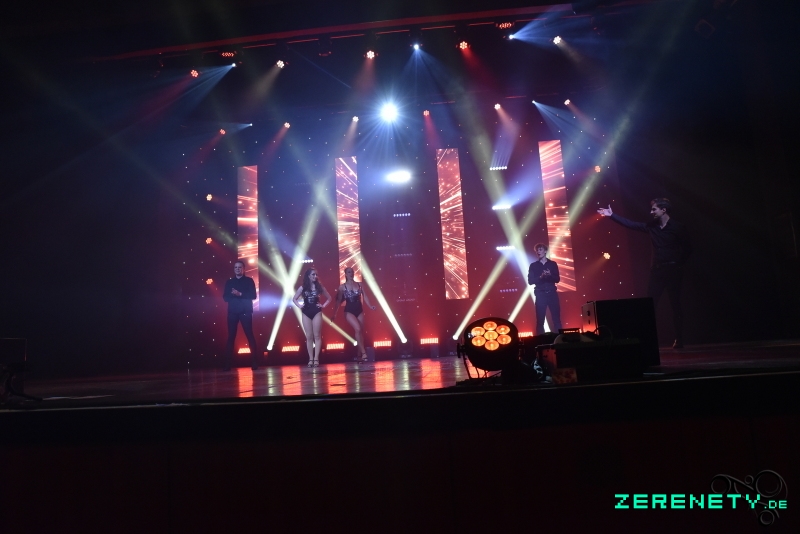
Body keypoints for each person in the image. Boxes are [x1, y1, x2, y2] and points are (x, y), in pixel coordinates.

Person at [597, 198, 692, 349]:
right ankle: (648, 339)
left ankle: (679, 339)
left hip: (673, 270)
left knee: (675, 304)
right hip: (657, 271)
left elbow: (687, 248)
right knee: (650, 306)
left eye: (654, 209)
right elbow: (632, 224)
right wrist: (612, 215)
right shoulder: (652, 226)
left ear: (663, 210)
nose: (651, 212)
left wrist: (678, 263)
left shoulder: (678, 227)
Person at [332, 267, 377, 363]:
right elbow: (338, 301)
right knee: (358, 329)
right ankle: (364, 353)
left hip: (359, 310)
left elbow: (365, 296)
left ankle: (359, 355)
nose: (351, 273)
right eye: (349, 272)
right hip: (349, 311)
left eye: (352, 272)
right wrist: (334, 314)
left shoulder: (359, 284)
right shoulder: (342, 287)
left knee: (361, 333)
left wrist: (370, 306)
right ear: (345, 274)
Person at [222, 260, 260, 371]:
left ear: (243, 269)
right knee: (231, 337)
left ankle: (254, 362)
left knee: (249, 335)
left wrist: (240, 294)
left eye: (239, 267)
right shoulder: (229, 282)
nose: (237, 269)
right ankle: (227, 364)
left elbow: (253, 295)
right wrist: (233, 294)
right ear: (234, 269)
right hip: (232, 312)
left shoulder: (249, 281)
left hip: (245, 312)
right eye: (236, 267)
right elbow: (225, 298)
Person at [292, 268, 333, 367]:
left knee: (317, 336)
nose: (315, 276)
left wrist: (323, 305)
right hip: (306, 312)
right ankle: (310, 358)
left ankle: (316, 358)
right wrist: (300, 306)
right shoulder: (302, 288)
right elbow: (294, 299)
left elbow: (329, 298)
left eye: (316, 274)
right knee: (309, 336)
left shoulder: (319, 287)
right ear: (309, 276)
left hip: (316, 311)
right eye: (313, 274)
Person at [527, 243, 564, 335]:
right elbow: (530, 281)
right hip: (540, 294)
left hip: (552, 294)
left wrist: (550, 275)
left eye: (540, 249)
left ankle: (560, 339)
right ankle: (541, 340)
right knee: (540, 321)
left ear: (545, 251)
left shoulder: (552, 264)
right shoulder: (533, 265)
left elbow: (557, 279)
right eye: (537, 250)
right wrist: (541, 277)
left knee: (556, 319)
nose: (538, 252)